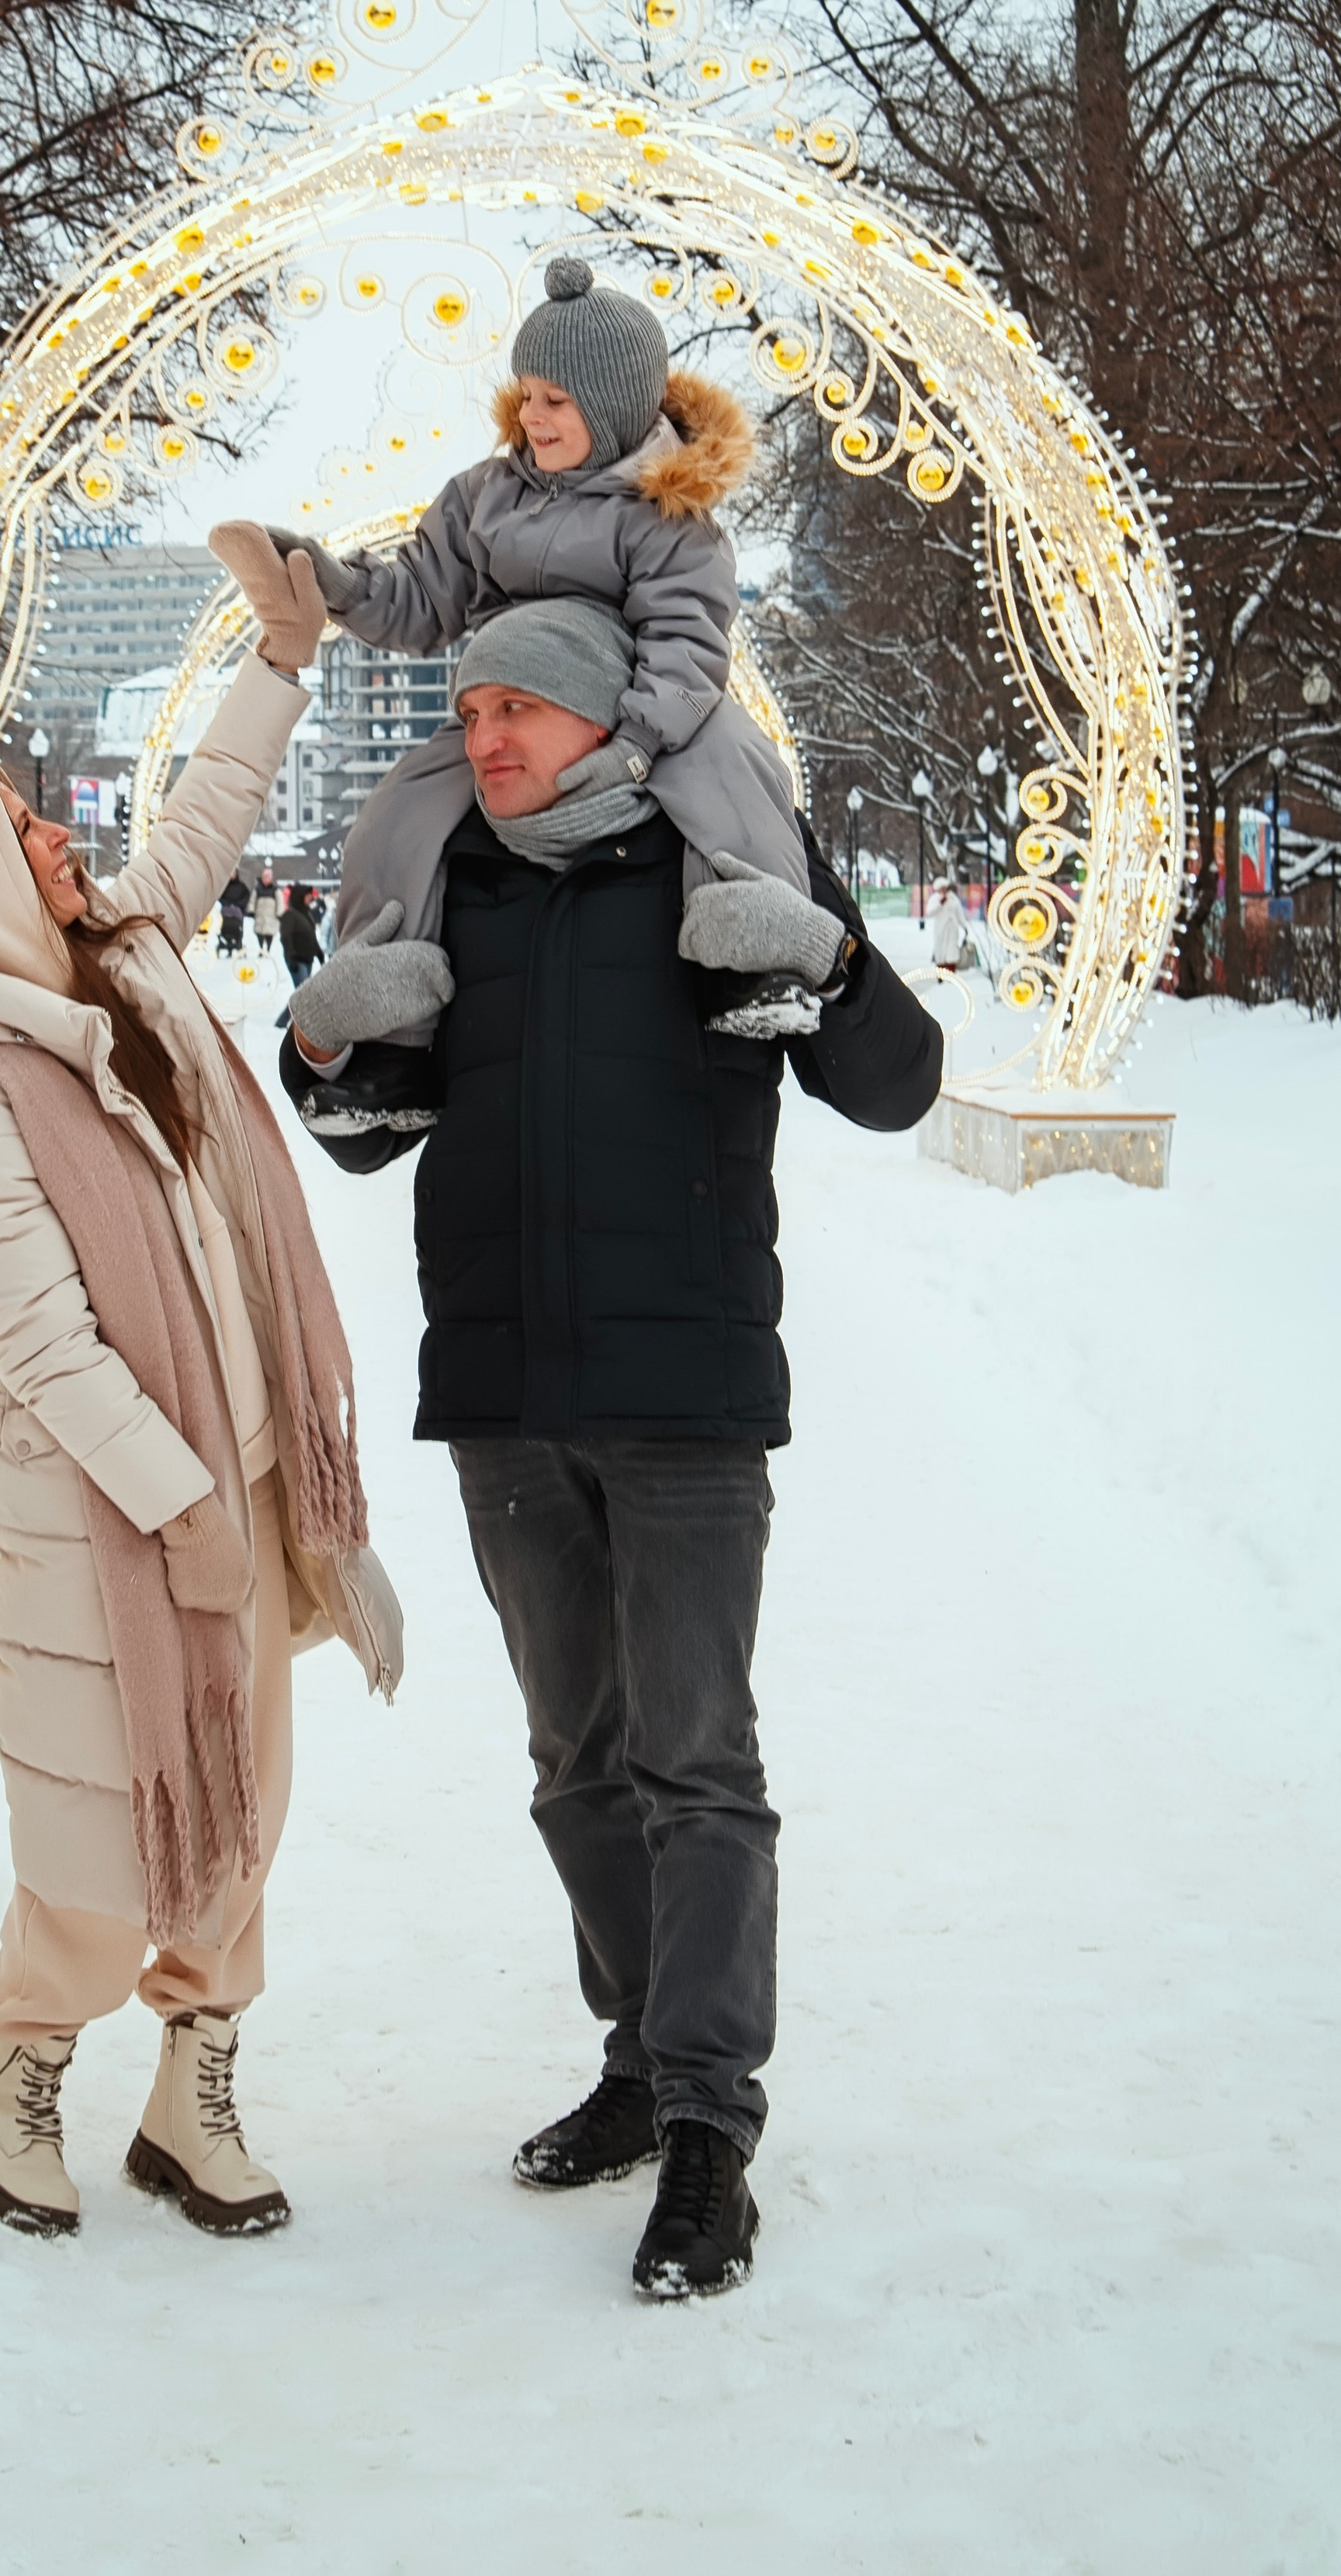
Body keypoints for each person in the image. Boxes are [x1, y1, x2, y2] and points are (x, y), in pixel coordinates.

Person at [279, 603, 941, 2301]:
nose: (484, 737)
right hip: (502, 1392)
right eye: (468, 707)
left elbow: (896, 1082)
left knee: (694, 1759)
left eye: (519, 709)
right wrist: (322, 1042)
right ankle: (641, 2060)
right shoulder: (454, 891)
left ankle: (711, 2129)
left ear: (597, 720)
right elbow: (364, 1140)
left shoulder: (719, 872)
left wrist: (834, 962)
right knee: (574, 1758)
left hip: (687, 1395)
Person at [0, 549, 401, 2247]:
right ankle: (18, 2075)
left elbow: (202, 822)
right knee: (98, 1824)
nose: (61, 838)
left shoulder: (116, 964)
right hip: (99, 1507)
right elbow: (46, 1339)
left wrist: (281, 658)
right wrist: (178, 1501)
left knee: (244, 1808)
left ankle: (191, 2085)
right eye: (24, 832)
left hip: (249, 1456)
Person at [211, 257, 816, 1040]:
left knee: (734, 766)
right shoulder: (485, 497)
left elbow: (686, 644)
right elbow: (422, 600)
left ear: (614, 404)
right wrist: (339, 585)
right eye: (526, 393)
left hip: (637, 709)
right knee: (399, 811)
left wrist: (635, 745)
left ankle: (757, 953)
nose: (532, 415)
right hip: (508, 702)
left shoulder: (665, 511)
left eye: (554, 400)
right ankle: (385, 1004)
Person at [216, 867, 251, 959]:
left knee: (237, 929)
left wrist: (239, 905)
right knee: (224, 927)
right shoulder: (225, 886)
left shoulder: (242, 886)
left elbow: (246, 897)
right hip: (226, 911)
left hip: (238, 911)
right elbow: (220, 896)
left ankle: (237, 944)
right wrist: (226, 903)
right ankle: (228, 945)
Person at [252, 866, 279, 958]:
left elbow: (280, 902)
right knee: (259, 932)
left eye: (268, 877)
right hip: (260, 913)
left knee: (269, 933)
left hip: (271, 915)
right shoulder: (258, 889)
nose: (266, 879)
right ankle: (261, 949)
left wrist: (279, 913)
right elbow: (253, 900)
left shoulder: (275, 890)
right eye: (265, 877)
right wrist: (251, 910)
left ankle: (268, 949)